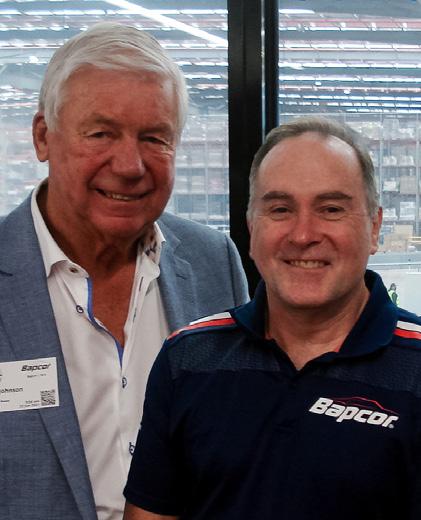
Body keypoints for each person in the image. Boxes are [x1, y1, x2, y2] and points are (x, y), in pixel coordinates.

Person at [0, 22, 248, 520]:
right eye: (101, 134)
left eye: (154, 138)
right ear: (43, 136)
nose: (131, 165)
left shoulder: (213, 263)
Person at [123, 116, 421, 520]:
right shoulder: (187, 359)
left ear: (374, 227)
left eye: (331, 209)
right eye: (280, 209)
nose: (303, 234)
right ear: (251, 228)